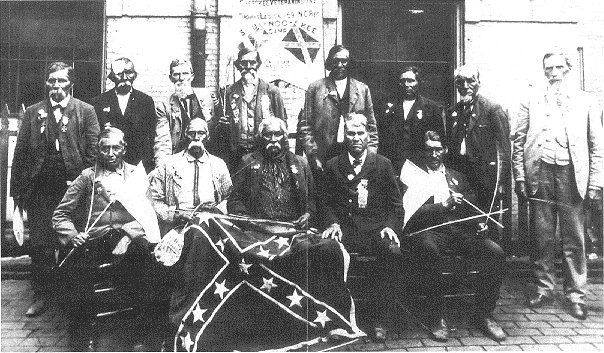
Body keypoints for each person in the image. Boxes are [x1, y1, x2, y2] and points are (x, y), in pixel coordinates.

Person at [227, 116, 355, 340]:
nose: (274, 141)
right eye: (268, 136)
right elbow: (234, 201)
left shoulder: (299, 163)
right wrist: (247, 219)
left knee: (330, 251)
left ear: (285, 138)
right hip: (260, 234)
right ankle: (273, 329)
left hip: (294, 232)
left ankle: (335, 320)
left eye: (278, 135)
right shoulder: (248, 162)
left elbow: (313, 201)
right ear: (261, 138)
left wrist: (308, 214)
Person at [512, 51, 603, 320]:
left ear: (568, 69)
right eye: (548, 68)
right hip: (540, 174)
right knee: (543, 236)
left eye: (558, 67)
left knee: (574, 238)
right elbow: (518, 140)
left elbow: (597, 146)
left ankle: (576, 294)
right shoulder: (531, 99)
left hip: (571, 176)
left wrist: (596, 183)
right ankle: (544, 288)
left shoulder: (586, 101)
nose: (553, 73)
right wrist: (520, 176)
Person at [53, 127, 159, 351]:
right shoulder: (88, 177)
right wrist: (73, 235)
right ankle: (82, 338)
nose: (111, 153)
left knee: (148, 267)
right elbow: (60, 214)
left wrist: (128, 237)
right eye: (105, 148)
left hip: (128, 238)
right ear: (98, 150)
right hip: (95, 238)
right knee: (77, 271)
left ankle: (142, 336)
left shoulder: (136, 176)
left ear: (124, 149)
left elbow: (149, 214)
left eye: (116, 148)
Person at [10, 61, 100, 317]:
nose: (56, 86)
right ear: (46, 83)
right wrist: (18, 194)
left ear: (71, 83)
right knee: (40, 244)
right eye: (52, 81)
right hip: (40, 189)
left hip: (73, 188)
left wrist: (85, 182)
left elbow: (93, 152)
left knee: (72, 240)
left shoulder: (85, 111)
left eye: (61, 81)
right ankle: (41, 294)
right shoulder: (34, 112)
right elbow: (21, 155)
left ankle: (71, 294)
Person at [402, 131, 506, 342]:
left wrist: (480, 224)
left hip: (459, 233)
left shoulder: (458, 177)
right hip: (429, 232)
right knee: (429, 251)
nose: (433, 154)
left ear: (445, 151)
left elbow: (473, 210)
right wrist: (443, 205)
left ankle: (483, 314)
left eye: (438, 149)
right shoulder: (414, 178)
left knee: (495, 253)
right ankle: (437, 317)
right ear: (424, 151)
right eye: (429, 150)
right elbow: (410, 214)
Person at [321, 113, 402, 342]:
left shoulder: (383, 164)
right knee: (328, 251)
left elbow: (396, 205)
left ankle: (381, 319)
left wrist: (390, 226)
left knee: (392, 252)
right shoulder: (333, 165)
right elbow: (324, 202)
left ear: (368, 136)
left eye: (360, 133)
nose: (356, 138)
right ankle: (338, 319)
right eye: (351, 133)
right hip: (346, 229)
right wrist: (333, 222)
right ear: (344, 136)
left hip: (376, 229)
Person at [445, 65, 511, 220]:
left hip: (485, 177)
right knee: (462, 219)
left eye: (470, 81)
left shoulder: (492, 109)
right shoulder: (453, 112)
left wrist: (500, 182)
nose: (465, 86)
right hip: (461, 174)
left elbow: (504, 150)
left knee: (486, 220)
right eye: (460, 82)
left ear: (478, 82)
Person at [150, 117, 232, 236]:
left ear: (208, 136)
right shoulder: (169, 164)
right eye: (191, 133)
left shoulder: (218, 165)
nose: (196, 137)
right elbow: (155, 200)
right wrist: (175, 215)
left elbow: (228, 197)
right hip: (177, 227)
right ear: (185, 135)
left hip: (211, 226)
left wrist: (216, 212)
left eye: (201, 133)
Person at [212, 47, 287, 170]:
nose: (248, 66)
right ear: (238, 65)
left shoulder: (272, 92)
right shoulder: (228, 92)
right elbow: (219, 127)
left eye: (252, 62)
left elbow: (282, 125)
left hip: (263, 152)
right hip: (236, 155)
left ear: (258, 64)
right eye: (244, 63)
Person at [90, 57, 156, 172]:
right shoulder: (99, 102)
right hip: (108, 165)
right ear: (111, 76)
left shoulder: (145, 101)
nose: (125, 77)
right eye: (119, 73)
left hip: (138, 166)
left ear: (134, 75)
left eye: (129, 72)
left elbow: (151, 138)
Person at [378, 66, 445, 174]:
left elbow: (438, 140)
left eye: (410, 81)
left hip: (420, 165)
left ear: (418, 82)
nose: (406, 85)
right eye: (403, 81)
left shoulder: (431, 108)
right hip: (392, 164)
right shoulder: (388, 107)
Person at [155, 58, 217, 165]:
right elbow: (162, 142)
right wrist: (162, 169)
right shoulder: (164, 106)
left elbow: (215, 128)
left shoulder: (207, 97)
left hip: (206, 157)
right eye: (176, 74)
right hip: (180, 159)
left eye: (185, 73)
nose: (181, 78)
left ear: (192, 76)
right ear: (171, 78)